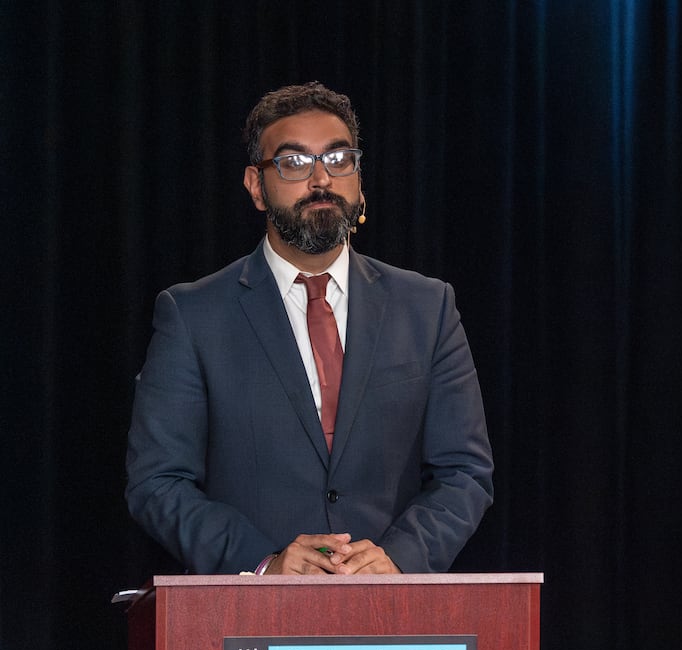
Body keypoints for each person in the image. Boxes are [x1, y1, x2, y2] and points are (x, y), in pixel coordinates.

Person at [126, 82, 493, 575]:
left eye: (339, 159)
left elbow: (465, 473)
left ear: (360, 181)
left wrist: (400, 558)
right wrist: (263, 562)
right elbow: (158, 482)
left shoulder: (427, 308)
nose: (321, 178)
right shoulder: (193, 316)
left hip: (395, 624)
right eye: (294, 163)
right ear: (257, 187)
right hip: (249, 627)